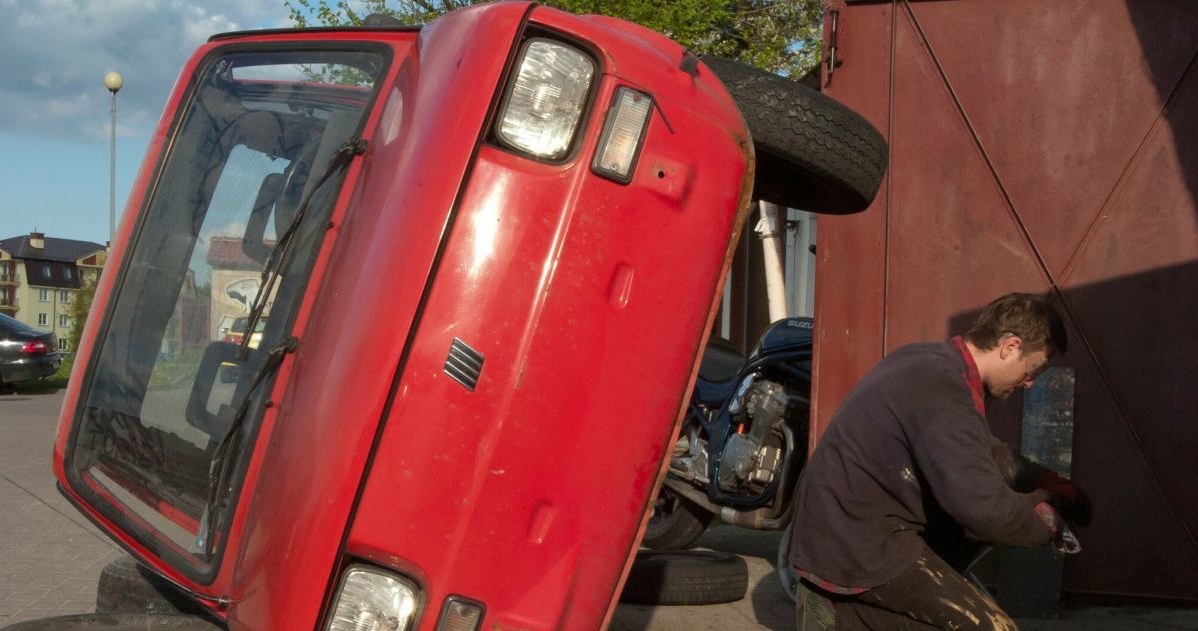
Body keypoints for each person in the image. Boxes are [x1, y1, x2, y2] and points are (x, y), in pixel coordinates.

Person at [789, 292, 1091, 631]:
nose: (1030, 382)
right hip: (863, 547)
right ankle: (840, 612)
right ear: (1010, 346)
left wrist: (1040, 478)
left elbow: (980, 450)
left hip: (848, 534)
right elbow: (985, 509)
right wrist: (1046, 515)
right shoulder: (945, 388)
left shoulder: (931, 363)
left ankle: (847, 614)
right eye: (1033, 368)